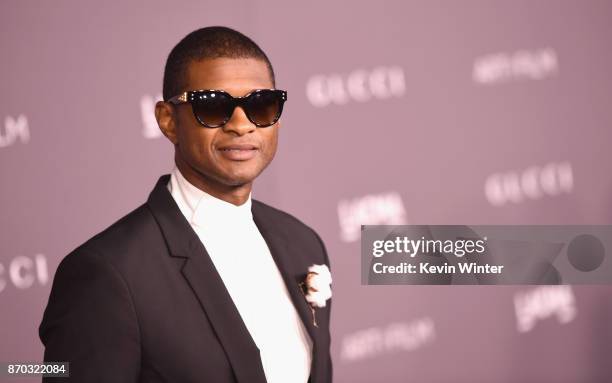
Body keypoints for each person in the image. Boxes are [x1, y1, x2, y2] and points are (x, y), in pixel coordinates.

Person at [39, 26, 332, 383]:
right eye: (213, 106)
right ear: (167, 120)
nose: (242, 125)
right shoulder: (107, 275)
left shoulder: (303, 242)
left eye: (261, 104)